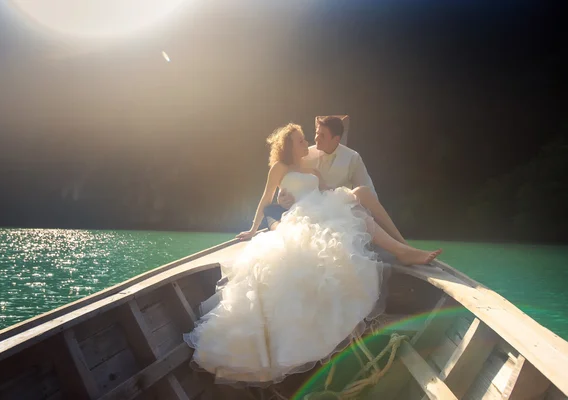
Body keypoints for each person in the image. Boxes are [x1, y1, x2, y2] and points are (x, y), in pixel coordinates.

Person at [183, 123, 441, 385]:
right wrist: (252, 229)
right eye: (301, 140)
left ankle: (403, 249)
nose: (307, 143)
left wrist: (343, 198)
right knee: (350, 225)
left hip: (322, 209)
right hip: (303, 215)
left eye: (307, 139)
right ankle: (403, 250)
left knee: (359, 206)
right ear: (288, 145)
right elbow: (265, 199)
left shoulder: (313, 169)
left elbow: (327, 192)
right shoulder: (279, 169)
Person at [264, 116, 407, 249]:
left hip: (339, 204)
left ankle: (402, 243)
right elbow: (290, 179)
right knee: (359, 198)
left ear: (336, 139)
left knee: (362, 193)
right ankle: (401, 247)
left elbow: (371, 195)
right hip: (313, 210)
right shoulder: (305, 154)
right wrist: (281, 197)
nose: (316, 138)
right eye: (316, 133)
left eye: (322, 136)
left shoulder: (352, 158)